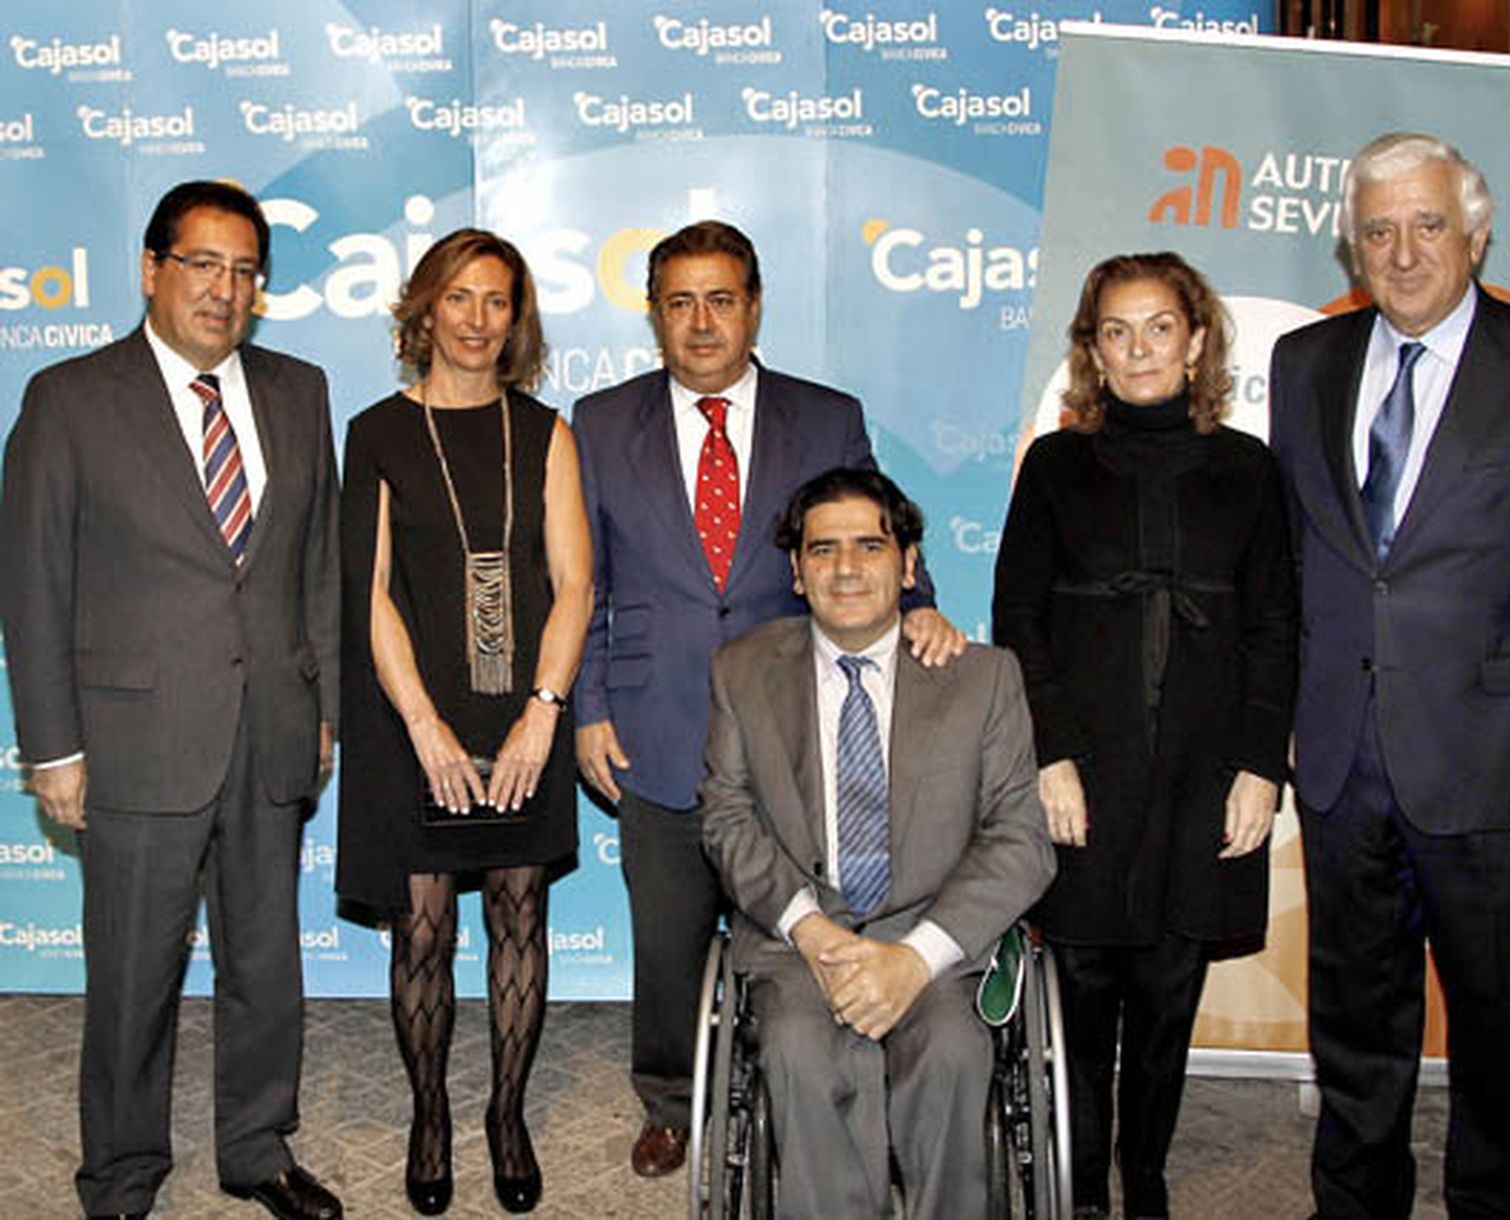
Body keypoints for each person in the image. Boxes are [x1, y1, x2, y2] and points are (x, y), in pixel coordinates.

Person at [570, 219, 963, 1177]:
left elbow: (871, 535)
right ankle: (671, 1100)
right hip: (653, 715)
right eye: (680, 303)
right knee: (666, 936)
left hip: (797, 721)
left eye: (722, 299)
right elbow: (585, 580)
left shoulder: (826, 417)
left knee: (788, 925)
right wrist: (587, 705)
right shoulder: (597, 420)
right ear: (655, 315)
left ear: (754, 307)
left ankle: (795, 1084)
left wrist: (923, 610)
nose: (701, 322)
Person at [1270, 132, 1510, 1217]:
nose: (1403, 252)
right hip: (1341, 758)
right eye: (1377, 230)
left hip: (1497, 765)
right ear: (1350, 248)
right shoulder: (1304, 364)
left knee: (1505, 1033)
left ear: (1475, 230)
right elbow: (1294, 556)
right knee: (1354, 1027)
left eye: (1426, 225)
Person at [0, 180, 342, 1220]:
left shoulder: (299, 390)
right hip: (135, 736)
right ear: (151, 269)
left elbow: (317, 561)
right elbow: (33, 582)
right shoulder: (69, 398)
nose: (223, 290)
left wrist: (323, 700)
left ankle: (255, 1144)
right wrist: (51, 746)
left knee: (265, 964)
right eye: (201, 264)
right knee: (133, 977)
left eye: (244, 272)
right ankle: (120, 1171)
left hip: (271, 727)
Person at [993, 251, 1296, 1219]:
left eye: (1158, 326)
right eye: (1115, 330)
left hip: (1204, 767)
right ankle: (1082, 1181)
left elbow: (1275, 626)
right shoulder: (1054, 461)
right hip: (1087, 764)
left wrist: (1259, 766)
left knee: (1169, 984)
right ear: (1091, 349)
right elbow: (1019, 619)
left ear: (1196, 339)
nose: (1138, 349)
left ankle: (1148, 1172)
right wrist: (1049, 755)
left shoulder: (1250, 469)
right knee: (1082, 977)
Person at [700, 467, 1055, 1218]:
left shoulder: (983, 679)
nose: (847, 568)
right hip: (800, 937)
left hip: (936, 944)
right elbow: (727, 819)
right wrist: (815, 932)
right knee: (796, 1046)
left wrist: (913, 959)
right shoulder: (743, 672)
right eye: (822, 550)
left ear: (909, 564)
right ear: (796, 572)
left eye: (870, 545)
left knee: (956, 1054)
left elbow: (1020, 838)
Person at [336, 229, 591, 1215]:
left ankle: (508, 1113)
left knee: (521, 915)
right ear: (423, 308)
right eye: (460, 296)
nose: (478, 318)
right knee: (425, 932)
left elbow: (574, 583)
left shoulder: (547, 433)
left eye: (498, 300)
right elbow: (370, 596)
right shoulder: (378, 433)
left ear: (515, 319)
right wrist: (426, 729)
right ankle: (432, 1112)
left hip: (525, 708)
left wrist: (542, 715)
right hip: (418, 714)